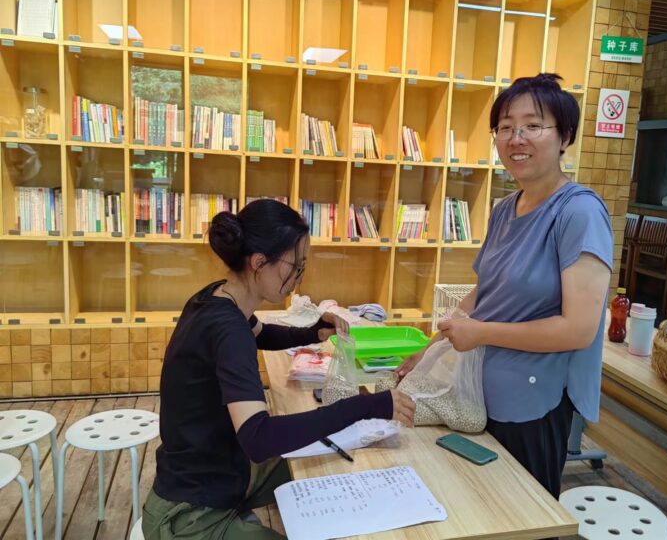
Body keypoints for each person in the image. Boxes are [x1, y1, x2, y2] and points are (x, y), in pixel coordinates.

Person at [143, 199, 415, 539]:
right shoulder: (227, 330)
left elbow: (262, 333)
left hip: (222, 473)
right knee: (322, 465)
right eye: (295, 267)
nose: (298, 279)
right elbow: (258, 438)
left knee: (326, 469)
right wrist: (366, 405)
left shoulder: (216, 297)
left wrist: (315, 331)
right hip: (190, 513)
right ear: (259, 263)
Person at [398, 73, 612, 499]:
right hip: (479, 393)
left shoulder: (579, 213)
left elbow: (578, 330)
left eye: (533, 125)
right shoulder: (504, 208)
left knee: (523, 513)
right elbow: (486, 290)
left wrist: (481, 333)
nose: (517, 138)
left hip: (533, 404)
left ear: (564, 136)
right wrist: (433, 344)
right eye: (506, 127)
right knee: (476, 505)